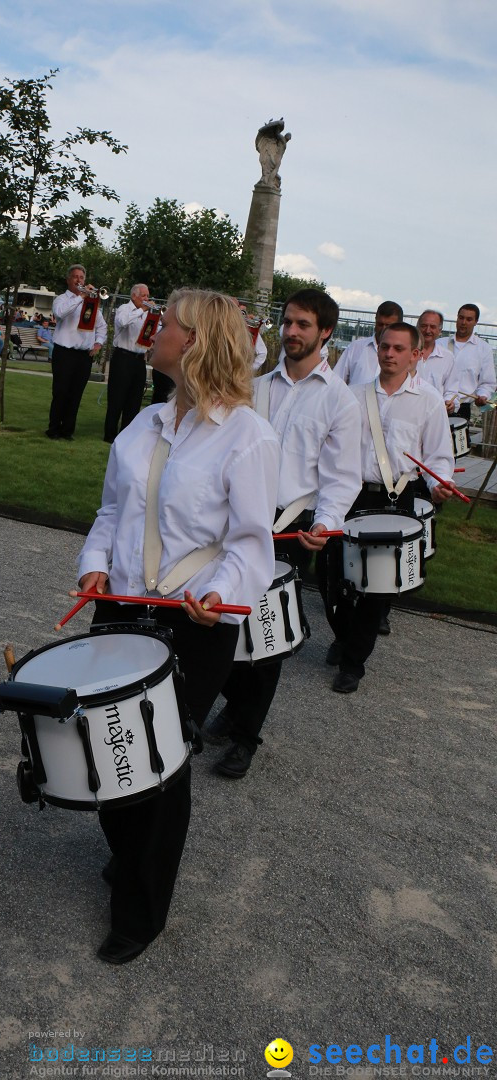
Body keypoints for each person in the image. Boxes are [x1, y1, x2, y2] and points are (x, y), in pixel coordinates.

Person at [76, 289, 280, 962]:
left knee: (156, 767)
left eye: (167, 325)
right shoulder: (143, 426)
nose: (155, 331)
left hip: (194, 622)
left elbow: (252, 544)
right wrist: (94, 565)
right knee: (104, 748)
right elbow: (110, 513)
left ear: (195, 342)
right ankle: (128, 849)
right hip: (121, 609)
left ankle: (141, 910)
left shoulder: (248, 436)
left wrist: (218, 594)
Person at [207, 288, 362, 779]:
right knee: (221, 619)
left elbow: (342, 477)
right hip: (234, 520)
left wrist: (326, 523)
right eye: (288, 322)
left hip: (289, 529)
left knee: (264, 638)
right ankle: (233, 706)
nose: (291, 332)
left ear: (326, 333)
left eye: (303, 325)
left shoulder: (340, 399)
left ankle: (246, 736)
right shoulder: (256, 385)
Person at [327, 323, 454, 694]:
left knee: (376, 587)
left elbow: (438, 456)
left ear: (415, 355)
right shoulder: (354, 395)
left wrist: (438, 484)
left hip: (398, 497)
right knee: (335, 576)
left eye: (399, 349)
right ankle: (344, 635)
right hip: (353, 494)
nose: (389, 354)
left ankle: (354, 662)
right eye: (385, 347)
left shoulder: (428, 399)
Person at [46, 265, 106, 440]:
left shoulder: (91, 303)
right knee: (60, 392)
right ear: (68, 280)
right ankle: (54, 429)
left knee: (76, 394)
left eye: (82, 277)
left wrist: (98, 343)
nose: (79, 280)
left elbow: (101, 326)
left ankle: (68, 430)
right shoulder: (62, 299)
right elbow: (60, 313)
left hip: (83, 355)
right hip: (64, 353)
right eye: (75, 277)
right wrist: (80, 297)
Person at [103, 283, 152, 443]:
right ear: (134, 296)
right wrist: (141, 311)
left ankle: (125, 435)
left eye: (147, 296)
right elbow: (122, 322)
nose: (147, 299)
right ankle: (110, 435)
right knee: (117, 397)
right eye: (144, 295)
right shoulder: (124, 308)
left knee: (134, 399)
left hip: (139, 360)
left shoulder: (147, 314)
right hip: (123, 357)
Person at [441, 304, 496, 434]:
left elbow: (488, 382)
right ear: (457, 318)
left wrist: (483, 396)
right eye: (461, 318)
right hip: (436, 404)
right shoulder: (440, 344)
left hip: (462, 410)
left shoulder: (483, 348)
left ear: (476, 322)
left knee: (454, 452)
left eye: (469, 319)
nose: (463, 322)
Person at [333, 301, 403, 385]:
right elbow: (336, 380)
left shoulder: (405, 354)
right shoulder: (356, 347)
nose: (384, 329)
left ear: (399, 325)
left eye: (388, 325)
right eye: (380, 324)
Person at [414, 310, 454, 397]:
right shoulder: (406, 352)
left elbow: (451, 389)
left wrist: (449, 401)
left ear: (440, 331)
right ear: (417, 327)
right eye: (424, 326)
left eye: (432, 327)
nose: (428, 330)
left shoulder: (447, 357)